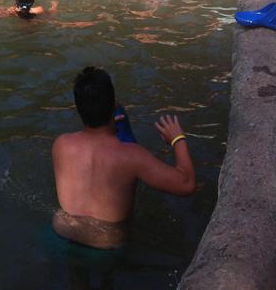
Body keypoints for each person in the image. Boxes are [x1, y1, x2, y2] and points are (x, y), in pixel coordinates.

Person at [51, 67, 195, 249]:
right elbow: (187, 184)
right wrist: (177, 138)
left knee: (77, 276)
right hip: (106, 244)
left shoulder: (60, 145)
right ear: (113, 106)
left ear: (77, 108)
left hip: (63, 233)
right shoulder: (131, 156)